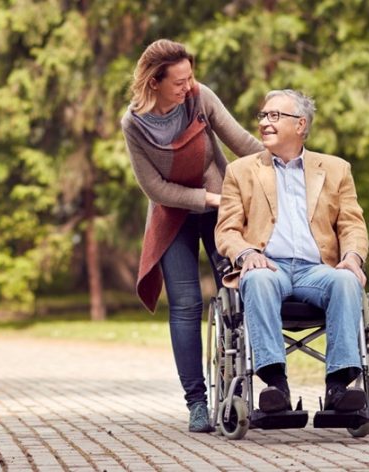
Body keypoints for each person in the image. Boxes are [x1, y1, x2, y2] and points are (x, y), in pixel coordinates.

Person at [121, 39, 264, 433]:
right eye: (178, 82)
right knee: (184, 305)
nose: (187, 86)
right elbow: (155, 189)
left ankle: (248, 385)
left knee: (236, 289)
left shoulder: (200, 98)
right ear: (154, 82)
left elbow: (243, 144)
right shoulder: (133, 125)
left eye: (189, 77)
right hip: (173, 213)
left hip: (219, 204)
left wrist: (290, 164)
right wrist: (208, 198)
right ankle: (197, 403)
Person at [215, 89, 369, 415]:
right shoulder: (241, 171)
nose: (265, 123)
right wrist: (245, 255)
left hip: (317, 270)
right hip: (269, 266)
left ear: (300, 125)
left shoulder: (336, 169)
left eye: (275, 116)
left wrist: (352, 257)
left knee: (346, 281)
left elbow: (352, 225)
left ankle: (339, 389)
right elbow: (227, 230)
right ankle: (275, 387)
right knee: (256, 279)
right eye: (263, 116)